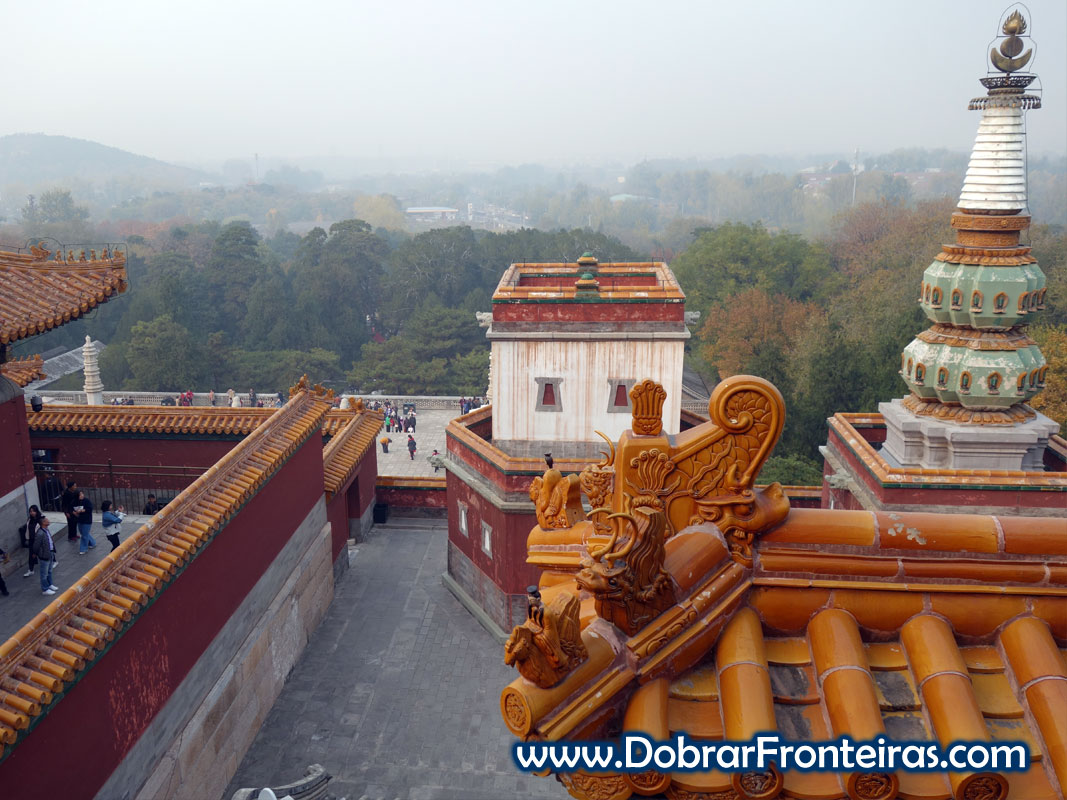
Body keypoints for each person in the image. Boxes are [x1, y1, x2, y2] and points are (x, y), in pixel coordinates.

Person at [34, 517, 57, 595]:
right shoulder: (40, 533)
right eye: (47, 520)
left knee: (49, 571)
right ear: (43, 523)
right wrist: (37, 554)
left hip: (50, 552)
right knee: (44, 573)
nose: (49, 521)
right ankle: (45, 589)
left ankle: (50, 584)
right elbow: (36, 545)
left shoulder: (46, 530)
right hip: (44, 555)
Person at [21, 505, 43, 577]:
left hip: (38, 540)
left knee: (41, 554)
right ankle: (31, 570)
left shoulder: (40, 519)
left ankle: (52, 562)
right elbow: (28, 529)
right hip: (31, 540)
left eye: (33, 511)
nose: (32, 513)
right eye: (30, 511)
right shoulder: (30, 520)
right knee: (31, 555)